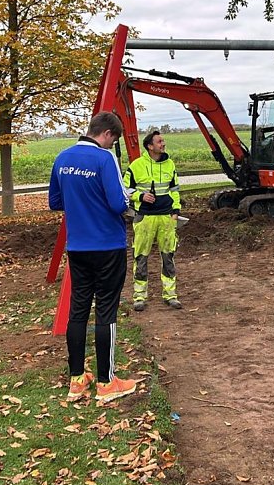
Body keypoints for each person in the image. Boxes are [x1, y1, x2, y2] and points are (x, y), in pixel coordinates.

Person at [49, 111, 136, 404]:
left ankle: (76, 381)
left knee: (78, 310)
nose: (112, 146)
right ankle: (106, 382)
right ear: (108, 134)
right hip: (108, 245)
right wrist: (130, 199)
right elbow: (117, 202)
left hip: (78, 247)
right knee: (106, 312)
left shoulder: (62, 158)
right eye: (113, 141)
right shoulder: (103, 158)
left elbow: (55, 202)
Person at [123, 129, 182, 311]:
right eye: (159, 142)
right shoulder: (136, 166)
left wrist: (175, 211)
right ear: (150, 146)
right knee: (141, 257)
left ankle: (170, 295)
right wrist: (140, 196)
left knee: (168, 257)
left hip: (166, 217)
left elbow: (175, 189)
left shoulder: (170, 164)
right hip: (144, 218)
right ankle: (139, 297)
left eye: (163, 141)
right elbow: (125, 190)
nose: (163, 144)